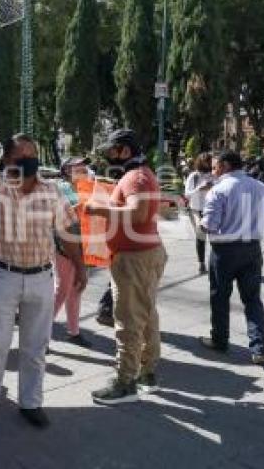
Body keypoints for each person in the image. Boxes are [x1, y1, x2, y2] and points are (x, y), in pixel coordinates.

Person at [0, 97, 87, 431]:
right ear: (8, 159)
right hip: (3, 277)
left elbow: (68, 230)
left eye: (33, 155)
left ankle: (31, 402)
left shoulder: (52, 191)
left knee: (35, 346)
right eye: (21, 156)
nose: (29, 160)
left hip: (41, 278)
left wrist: (80, 266)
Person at [85, 129, 167, 405]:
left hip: (135, 259)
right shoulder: (141, 175)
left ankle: (125, 382)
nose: (108, 156)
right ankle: (147, 373)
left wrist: (99, 210)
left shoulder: (136, 177)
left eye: (111, 151)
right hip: (142, 254)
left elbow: (138, 213)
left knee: (128, 320)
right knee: (146, 314)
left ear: (124, 151)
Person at [199, 150, 264, 366]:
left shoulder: (218, 190)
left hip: (225, 250)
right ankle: (259, 348)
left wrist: (200, 223)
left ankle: (220, 339)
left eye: (214, 167)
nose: (213, 171)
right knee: (252, 299)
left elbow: (210, 225)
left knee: (220, 296)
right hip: (252, 248)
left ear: (225, 165)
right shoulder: (262, 188)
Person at [53, 156, 92, 348]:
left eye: (84, 167)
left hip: (84, 244)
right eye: (79, 167)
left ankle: (73, 331)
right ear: (67, 170)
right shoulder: (60, 188)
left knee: (77, 288)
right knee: (62, 289)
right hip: (65, 245)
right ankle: (41, 332)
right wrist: (84, 206)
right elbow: (62, 216)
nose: (83, 169)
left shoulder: (88, 187)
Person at [184, 152, 214, 275]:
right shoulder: (194, 176)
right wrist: (199, 188)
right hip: (196, 209)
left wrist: (212, 187)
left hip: (211, 210)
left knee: (215, 237)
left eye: (209, 160)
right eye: (205, 160)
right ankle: (201, 263)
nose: (207, 163)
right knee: (201, 235)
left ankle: (215, 262)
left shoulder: (213, 176)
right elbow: (187, 194)